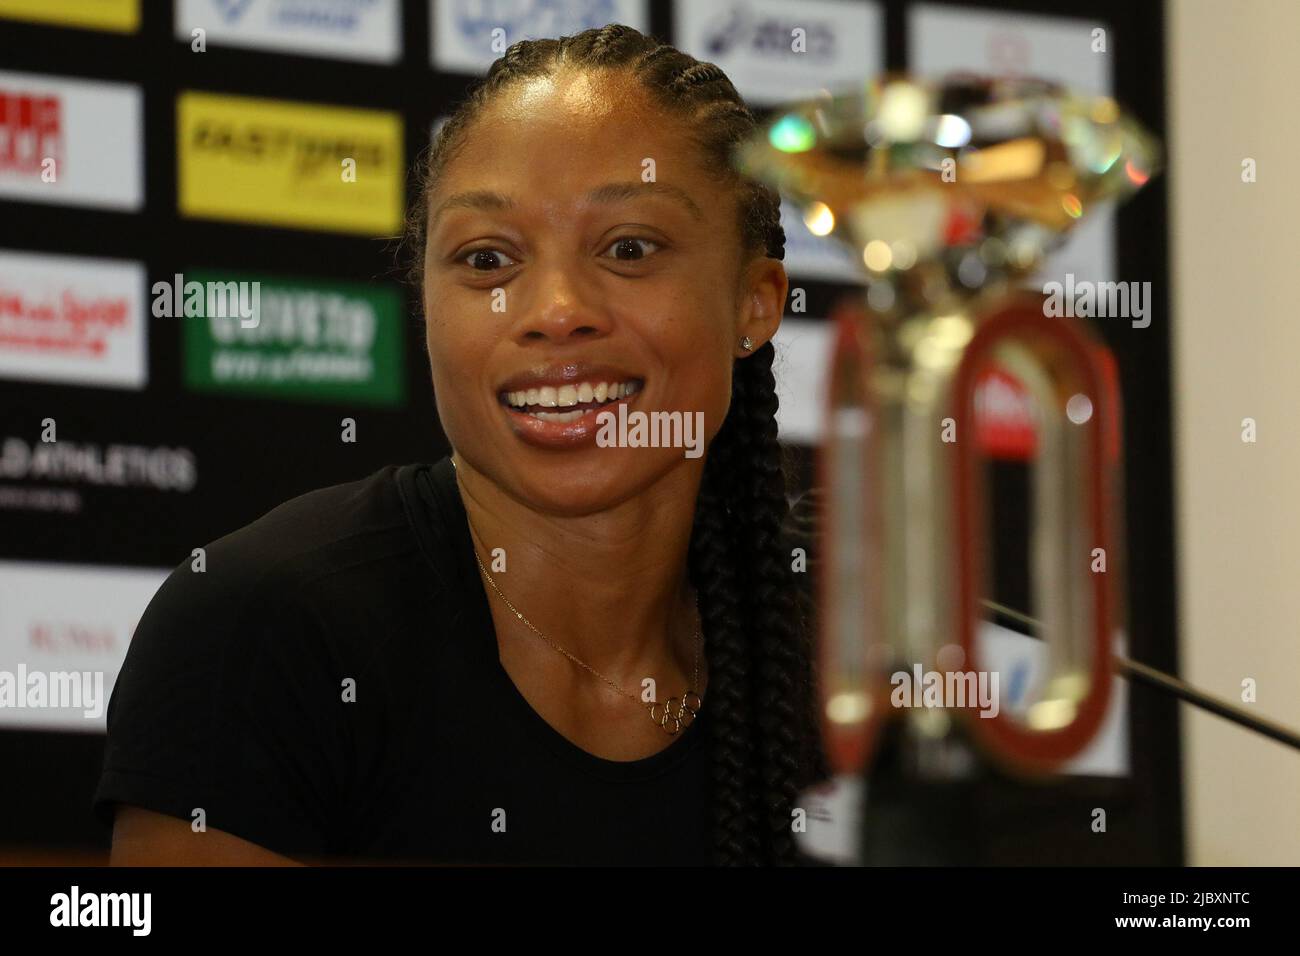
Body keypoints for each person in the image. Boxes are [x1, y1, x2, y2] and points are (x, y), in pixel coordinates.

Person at [94, 22, 827, 866]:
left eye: (629, 247)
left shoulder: (836, 663)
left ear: (755, 302)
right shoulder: (259, 630)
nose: (555, 309)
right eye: (486, 259)